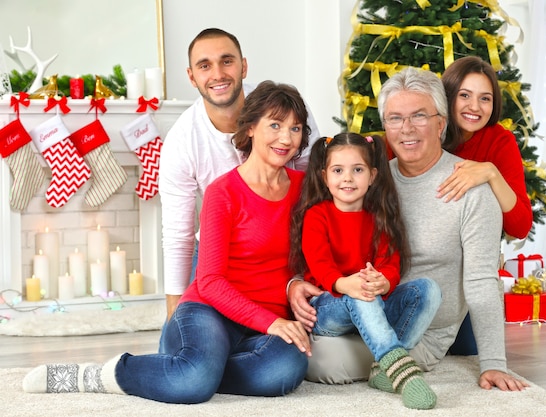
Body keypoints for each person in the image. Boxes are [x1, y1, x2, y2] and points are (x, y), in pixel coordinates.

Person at [23, 81, 313, 403]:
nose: (286, 138)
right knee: (194, 383)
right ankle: (101, 374)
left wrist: (297, 283)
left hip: (266, 319)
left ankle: (192, 369)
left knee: (286, 368)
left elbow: (318, 253)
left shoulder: (306, 189)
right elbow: (211, 282)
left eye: (295, 128)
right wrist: (271, 322)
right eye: (275, 125)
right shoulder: (223, 192)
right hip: (210, 311)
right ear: (251, 128)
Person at [289, 68, 529, 391]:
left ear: (441, 124)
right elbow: (327, 235)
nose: (406, 129)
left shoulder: (472, 190)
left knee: (324, 364)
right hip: (362, 309)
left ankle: (390, 363)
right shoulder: (372, 181)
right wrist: (295, 283)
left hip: (423, 330)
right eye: (395, 119)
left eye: (419, 116)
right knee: (307, 357)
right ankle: (385, 363)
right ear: (385, 126)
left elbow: (482, 282)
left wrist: (494, 364)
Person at [159, 28, 320, 321]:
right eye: (204, 66)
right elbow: (178, 234)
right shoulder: (181, 141)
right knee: (190, 344)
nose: (218, 73)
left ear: (244, 66)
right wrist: (173, 309)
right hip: (218, 251)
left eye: (227, 61)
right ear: (191, 76)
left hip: (281, 244)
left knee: (286, 361)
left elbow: (317, 182)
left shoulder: (286, 109)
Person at [289, 132, 441, 409]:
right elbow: (320, 266)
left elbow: (391, 264)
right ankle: (403, 373)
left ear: (372, 176)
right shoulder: (317, 215)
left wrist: (382, 282)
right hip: (328, 307)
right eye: (338, 170)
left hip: (371, 299)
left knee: (428, 289)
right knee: (360, 291)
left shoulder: (379, 216)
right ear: (325, 176)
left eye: (357, 170)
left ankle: (383, 372)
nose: (347, 178)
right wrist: (349, 284)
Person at [439, 56, 533, 355]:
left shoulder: (500, 142)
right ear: (448, 96)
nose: (474, 107)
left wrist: (491, 172)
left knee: (467, 347)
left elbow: (519, 226)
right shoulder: (423, 132)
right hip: (418, 268)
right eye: (464, 95)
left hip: (469, 278)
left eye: (485, 98)